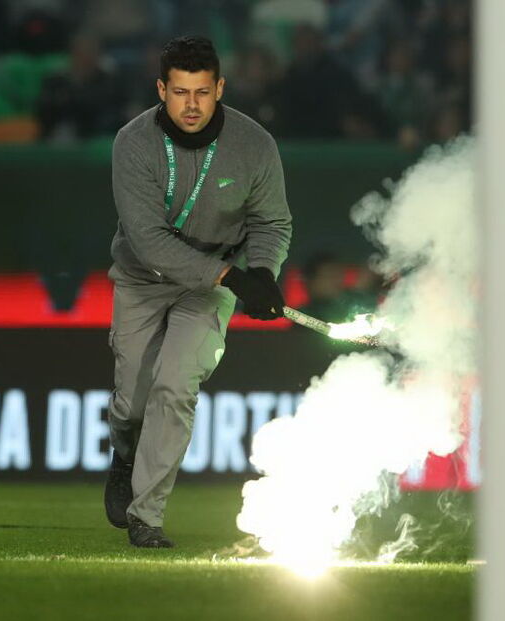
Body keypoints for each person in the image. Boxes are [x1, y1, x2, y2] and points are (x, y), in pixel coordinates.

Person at [104, 36, 292, 548]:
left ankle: (147, 517)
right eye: (181, 92)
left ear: (220, 89)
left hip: (208, 292)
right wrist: (234, 277)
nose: (192, 105)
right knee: (131, 405)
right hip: (142, 279)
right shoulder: (133, 142)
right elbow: (149, 241)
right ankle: (125, 453)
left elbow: (272, 223)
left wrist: (265, 272)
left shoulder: (255, 145)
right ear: (161, 89)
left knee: (176, 386)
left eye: (203, 92)